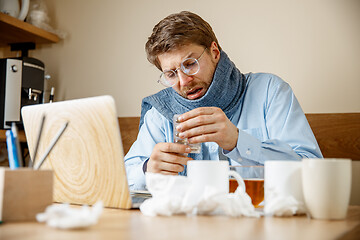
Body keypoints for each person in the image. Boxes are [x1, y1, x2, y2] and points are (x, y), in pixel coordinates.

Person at [124, 11, 322, 190]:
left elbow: (312, 173)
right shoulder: (160, 113)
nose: (184, 81)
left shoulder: (269, 92)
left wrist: (237, 141)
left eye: (190, 64)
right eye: (171, 74)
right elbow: (121, 179)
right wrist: (147, 169)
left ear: (215, 52)